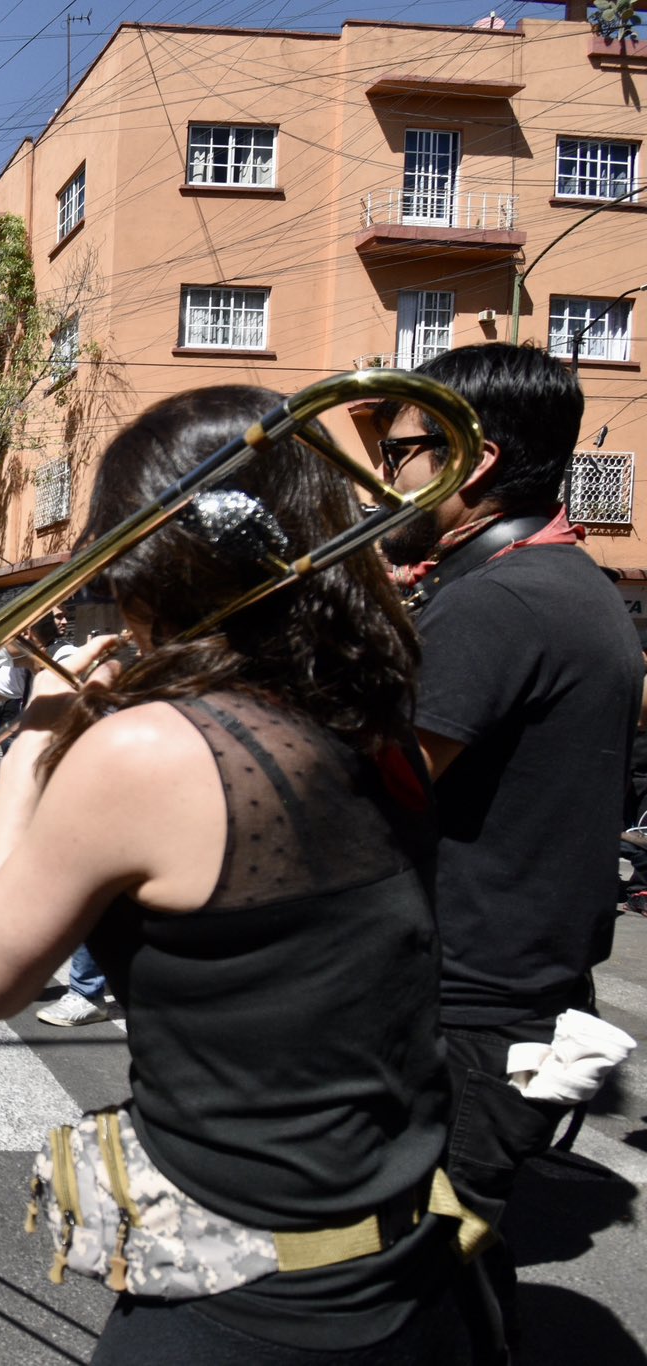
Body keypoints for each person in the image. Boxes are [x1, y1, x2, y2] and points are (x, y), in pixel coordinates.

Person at [0, 386, 466, 1361]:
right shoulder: (365, 717)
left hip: (241, 1305)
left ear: (159, 560)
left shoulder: (150, 748)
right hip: (398, 1272)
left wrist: (33, 745)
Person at [380, 342, 642, 1359]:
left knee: (409, 1290)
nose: (381, 473)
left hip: (468, 1013)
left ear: (470, 463)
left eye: (397, 448)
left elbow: (364, 797)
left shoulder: (495, 603)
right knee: (452, 1270)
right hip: (517, 1001)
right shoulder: (560, 582)